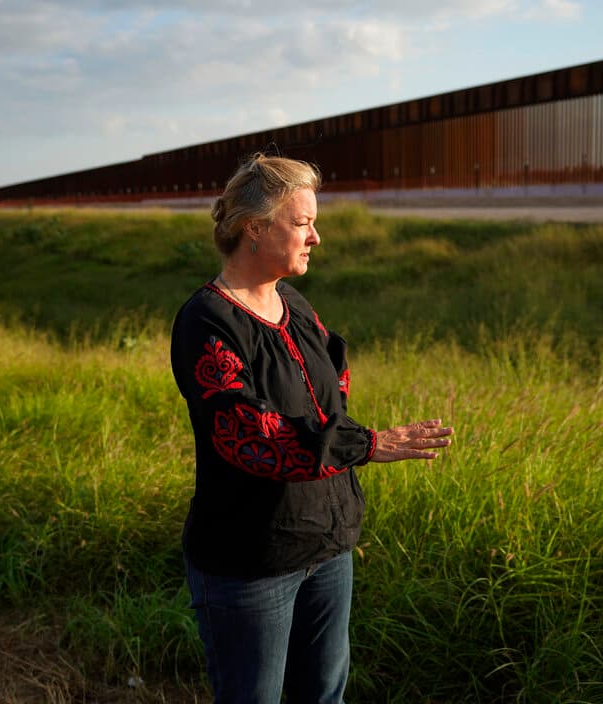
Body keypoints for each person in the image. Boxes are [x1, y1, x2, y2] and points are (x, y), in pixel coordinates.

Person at [170, 153, 453, 704]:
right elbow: (249, 435)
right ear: (255, 227)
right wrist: (368, 445)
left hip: (326, 548)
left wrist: (344, 448)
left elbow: (331, 389)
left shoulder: (293, 303)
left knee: (324, 696)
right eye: (302, 223)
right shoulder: (207, 320)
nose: (316, 237)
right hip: (250, 563)